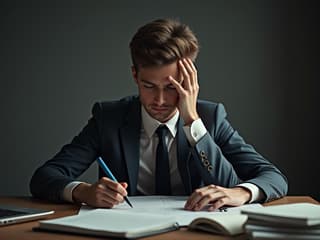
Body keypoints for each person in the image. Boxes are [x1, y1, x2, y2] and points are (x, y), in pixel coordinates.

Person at [30, 18, 288, 211]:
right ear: (135, 76)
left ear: (189, 81)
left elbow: (274, 177)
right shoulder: (109, 118)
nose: (160, 101)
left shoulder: (210, 117)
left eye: (171, 88)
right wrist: (82, 192)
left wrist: (241, 192)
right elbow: (44, 177)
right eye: (149, 86)